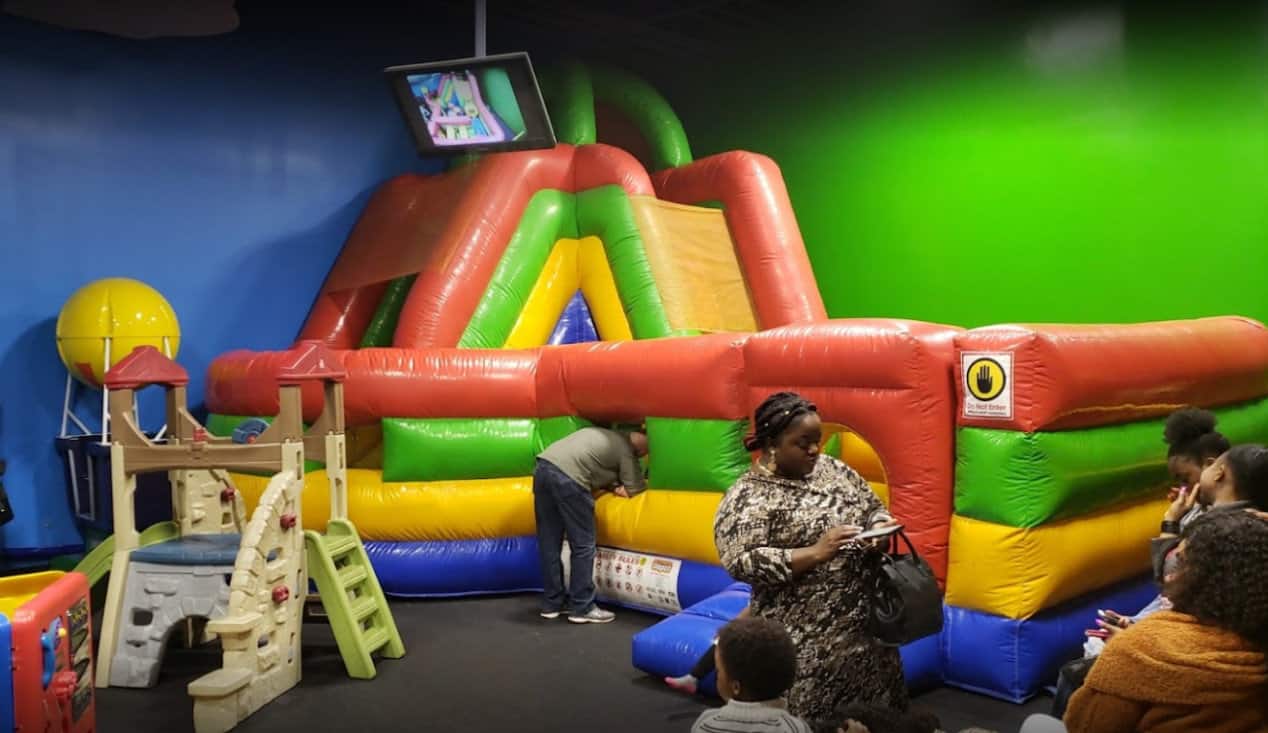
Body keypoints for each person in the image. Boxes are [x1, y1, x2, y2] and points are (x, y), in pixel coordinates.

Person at [714, 392, 904, 721]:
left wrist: (878, 529)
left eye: (817, 440)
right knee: (814, 721)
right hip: (806, 647)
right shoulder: (748, 496)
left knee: (875, 719)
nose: (815, 450)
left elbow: (873, 506)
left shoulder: (832, 470)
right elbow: (740, 560)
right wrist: (817, 552)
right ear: (772, 443)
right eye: (803, 443)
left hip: (866, 638)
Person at [1049, 408, 1231, 717]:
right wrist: (1137, 623)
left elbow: (1172, 584)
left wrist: (1171, 523)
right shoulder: (1204, 514)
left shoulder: (1219, 530)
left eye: (1185, 478)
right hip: (1177, 631)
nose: (1181, 489)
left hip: (1183, 643)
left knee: (1077, 677)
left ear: (1213, 468)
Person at [1059, 510, 1268, 732]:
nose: (1168, 576)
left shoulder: (1138, 649)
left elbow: (1085, 725)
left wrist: (1123, 654)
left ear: (1207, 579)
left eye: (1181, 563)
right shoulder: (1258, 640)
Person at [533, 426, 647, 624]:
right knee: (583, 545)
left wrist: (613, 484)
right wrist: (622, 488)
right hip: (569, 478)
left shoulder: (604, 434)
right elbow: (636, 489)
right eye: (646, 450)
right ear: (640, 444)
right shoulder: (625, 450)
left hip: (543, 468)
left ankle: (552, 604)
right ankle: (582, 606)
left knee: (549, 542)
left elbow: (596, 468)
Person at [690, 616, 812, 733]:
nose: (717, 677)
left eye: (718, 671)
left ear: (736, 687)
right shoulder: (794, 728)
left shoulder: (706, 723)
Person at [665, 606, 751, 694]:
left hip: (762, 628)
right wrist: (730, 627)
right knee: (725, 638)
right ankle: (693, 678)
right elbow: (751, 608)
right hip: (756, 623)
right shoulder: (758, 595)